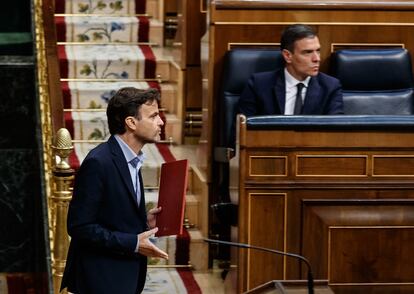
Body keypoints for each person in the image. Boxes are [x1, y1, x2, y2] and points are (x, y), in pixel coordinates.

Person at [61, 87, 169, 294]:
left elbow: (111, 214)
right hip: (100, 277)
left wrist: (144, 222)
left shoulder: (131, 158)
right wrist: (133, 243)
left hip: (123, 276)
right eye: (154, 115)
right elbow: (79, 226)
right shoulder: (98, 162)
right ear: (131, 122)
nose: (161, 121)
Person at [239, 24, 344, 116]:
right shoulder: (259, 85)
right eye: (308, 52)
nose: (317, 59)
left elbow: (335, 132)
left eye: (318, 51)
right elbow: (240, 131)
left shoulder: (330, 87)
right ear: (288, 56)